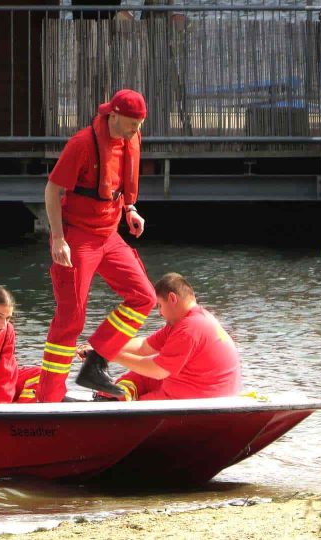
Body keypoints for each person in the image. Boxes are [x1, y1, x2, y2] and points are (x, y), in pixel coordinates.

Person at [37, 89, 157, 402]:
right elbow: (52, 191)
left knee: (144, 296)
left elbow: (121, 187)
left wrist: (131, 209)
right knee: (70, 318)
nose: (137, 129)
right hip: (76, 235)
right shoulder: (82, 143)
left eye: (140, 124)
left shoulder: (132, 139)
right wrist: (59, 238)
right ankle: (48, 397)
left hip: (109, 233)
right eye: (133, 123)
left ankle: (96, 361)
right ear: (113, 115)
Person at [89, 272, 241, 401]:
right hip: (201, 387)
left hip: (204, 397)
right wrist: (104, 348)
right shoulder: (186, 320)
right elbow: (144, 346)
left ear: (172, 298)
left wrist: (110, 355)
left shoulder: (190, 327)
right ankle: (112, 397)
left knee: (143, 384)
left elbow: (158, 370)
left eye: (160, 306)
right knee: (139, 375)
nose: (160, 313)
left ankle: (112, 404)